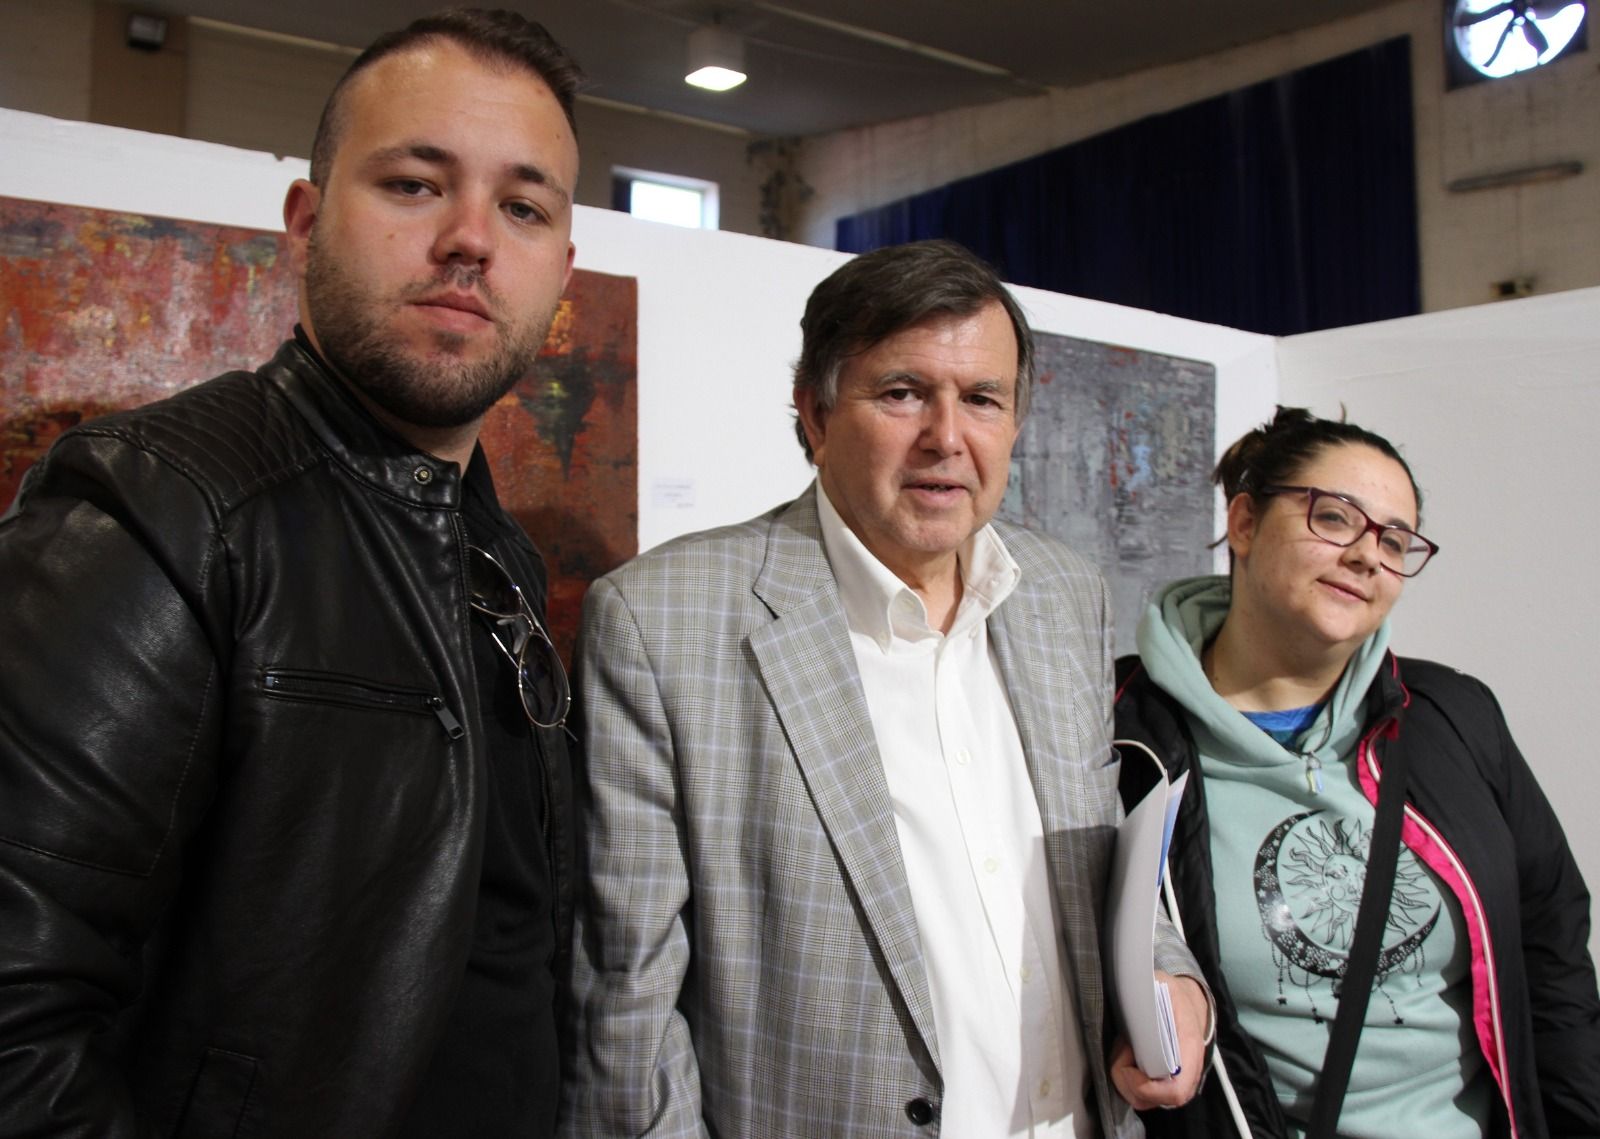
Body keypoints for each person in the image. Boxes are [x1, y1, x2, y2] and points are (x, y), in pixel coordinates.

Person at [0, 9, 584, 1136]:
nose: (471, 237)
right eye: (415, 184)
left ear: (559, 268)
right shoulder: (160, 513)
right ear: (307, 221)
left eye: (521, 207)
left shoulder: (494, 552)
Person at [563, 239, 1211, 1137]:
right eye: (903, 392)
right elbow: (627, 1001)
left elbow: (1102, 867)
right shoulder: (664, 620)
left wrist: (1173, 981)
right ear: (816, 414)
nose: (948, 437)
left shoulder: (1065, 593)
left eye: (982, 399)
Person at [1114, 407, 1600, 1139]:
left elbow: (1552, 953)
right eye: (1335, 518)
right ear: (1244, 523)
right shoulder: (1121, 729)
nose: (1369, 555)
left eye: (1396, 540)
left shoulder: (1451, 717)